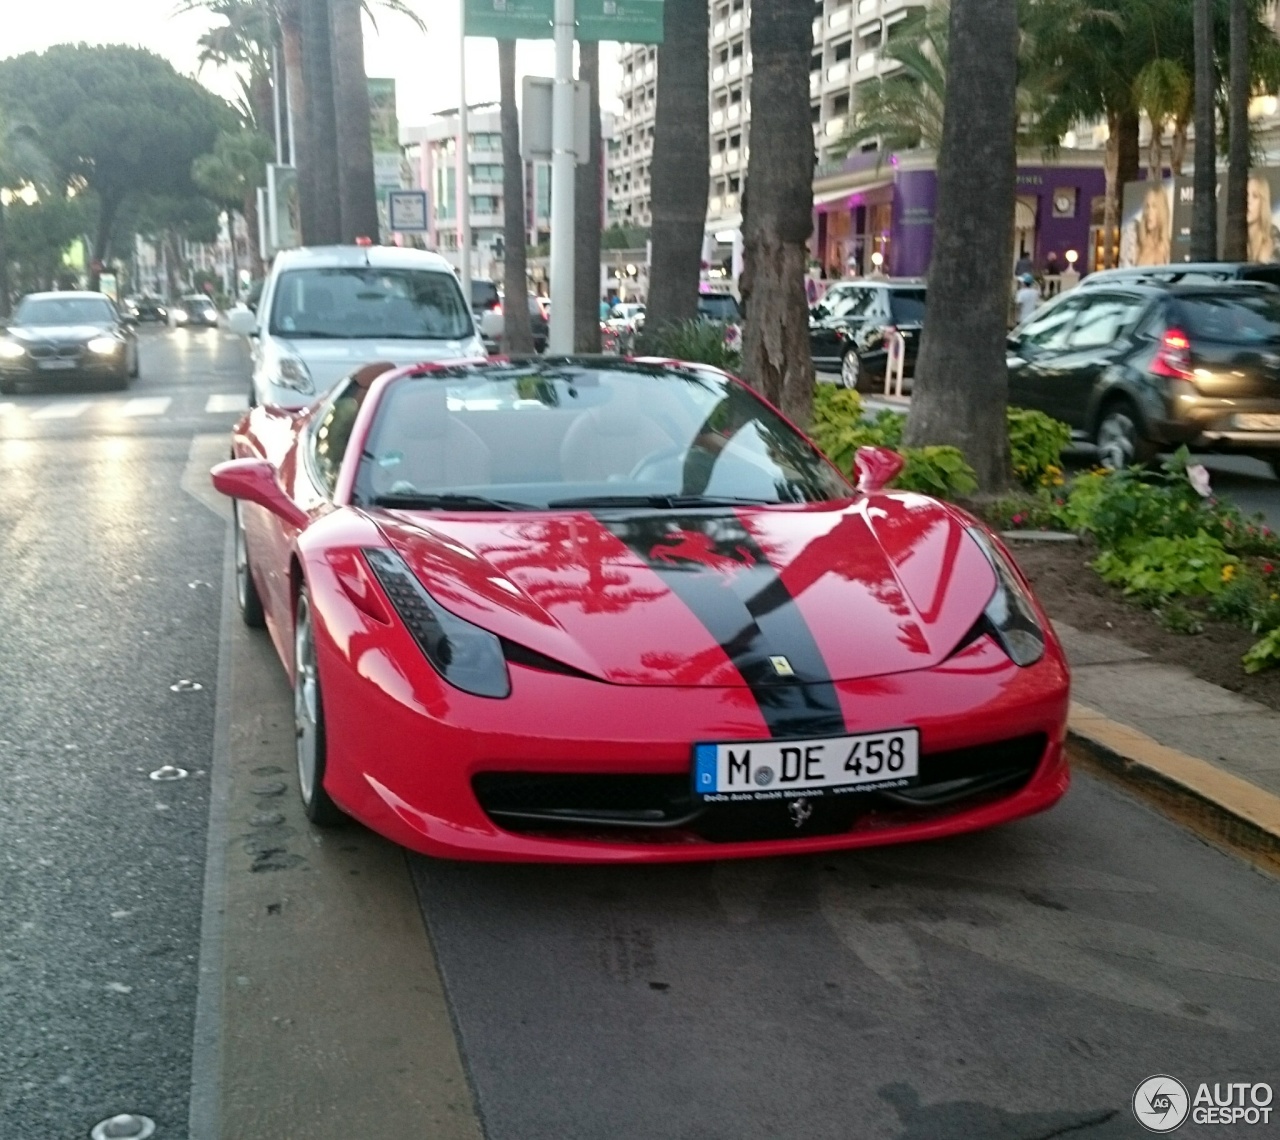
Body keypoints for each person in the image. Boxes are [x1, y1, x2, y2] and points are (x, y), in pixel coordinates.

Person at [1133, 184, 1171, 266]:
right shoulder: (1139, 244)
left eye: (1154, 207)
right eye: (1147, 206)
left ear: (1161, 210)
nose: (1149, 212)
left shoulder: (1165, 249)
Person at [1247, 175, 1280, 263]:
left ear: (1263, 202)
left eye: (1255, 196)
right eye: (1245, 195)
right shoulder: (1234, 240)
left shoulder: (1274, 238)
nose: (1248, 201)